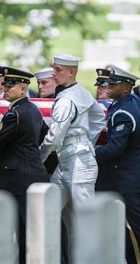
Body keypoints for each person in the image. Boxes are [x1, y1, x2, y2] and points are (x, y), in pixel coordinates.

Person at [95, 66, 140, 264]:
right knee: (136, 227)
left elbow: (115, 149)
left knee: (139, 228)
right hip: (130, 174)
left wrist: (90, 153)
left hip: (129, 180)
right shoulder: (132, 101)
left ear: (126, 88)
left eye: (114, 84)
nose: (108, 86)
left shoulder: (124, 111)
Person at [39, 53, 105, 252]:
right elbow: (99, 117)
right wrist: (85, 141)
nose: (54, 73)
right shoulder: (82, 93)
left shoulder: (67, 100)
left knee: (87, 221)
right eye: (54, 68)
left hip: (79, 165)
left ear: (71, 72)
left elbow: (54, 137)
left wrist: (38, 159)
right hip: (68, 161)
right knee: (49, 213)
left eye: (58, 70)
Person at [0, 67, 49, 263]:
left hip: (16, 178)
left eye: (10, 85)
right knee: (28, 230)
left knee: (15, 228)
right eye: (5, 84)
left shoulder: (14, 114)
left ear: (23, 90)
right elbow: (43, 134)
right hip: (33, 173)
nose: (5, 88)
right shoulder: (34, 110)